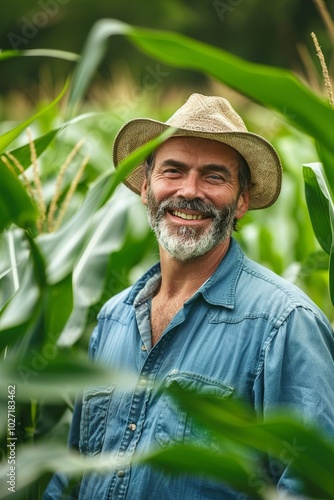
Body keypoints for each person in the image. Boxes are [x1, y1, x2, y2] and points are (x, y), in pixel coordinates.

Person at [44, 93, 334, 499]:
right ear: (146, 187)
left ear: (243, 200)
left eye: (214, 176)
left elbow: (310, 484)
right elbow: (72, 476)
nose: (189, 191)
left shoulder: (285, 323)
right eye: (173, 171)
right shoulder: (113, 318)